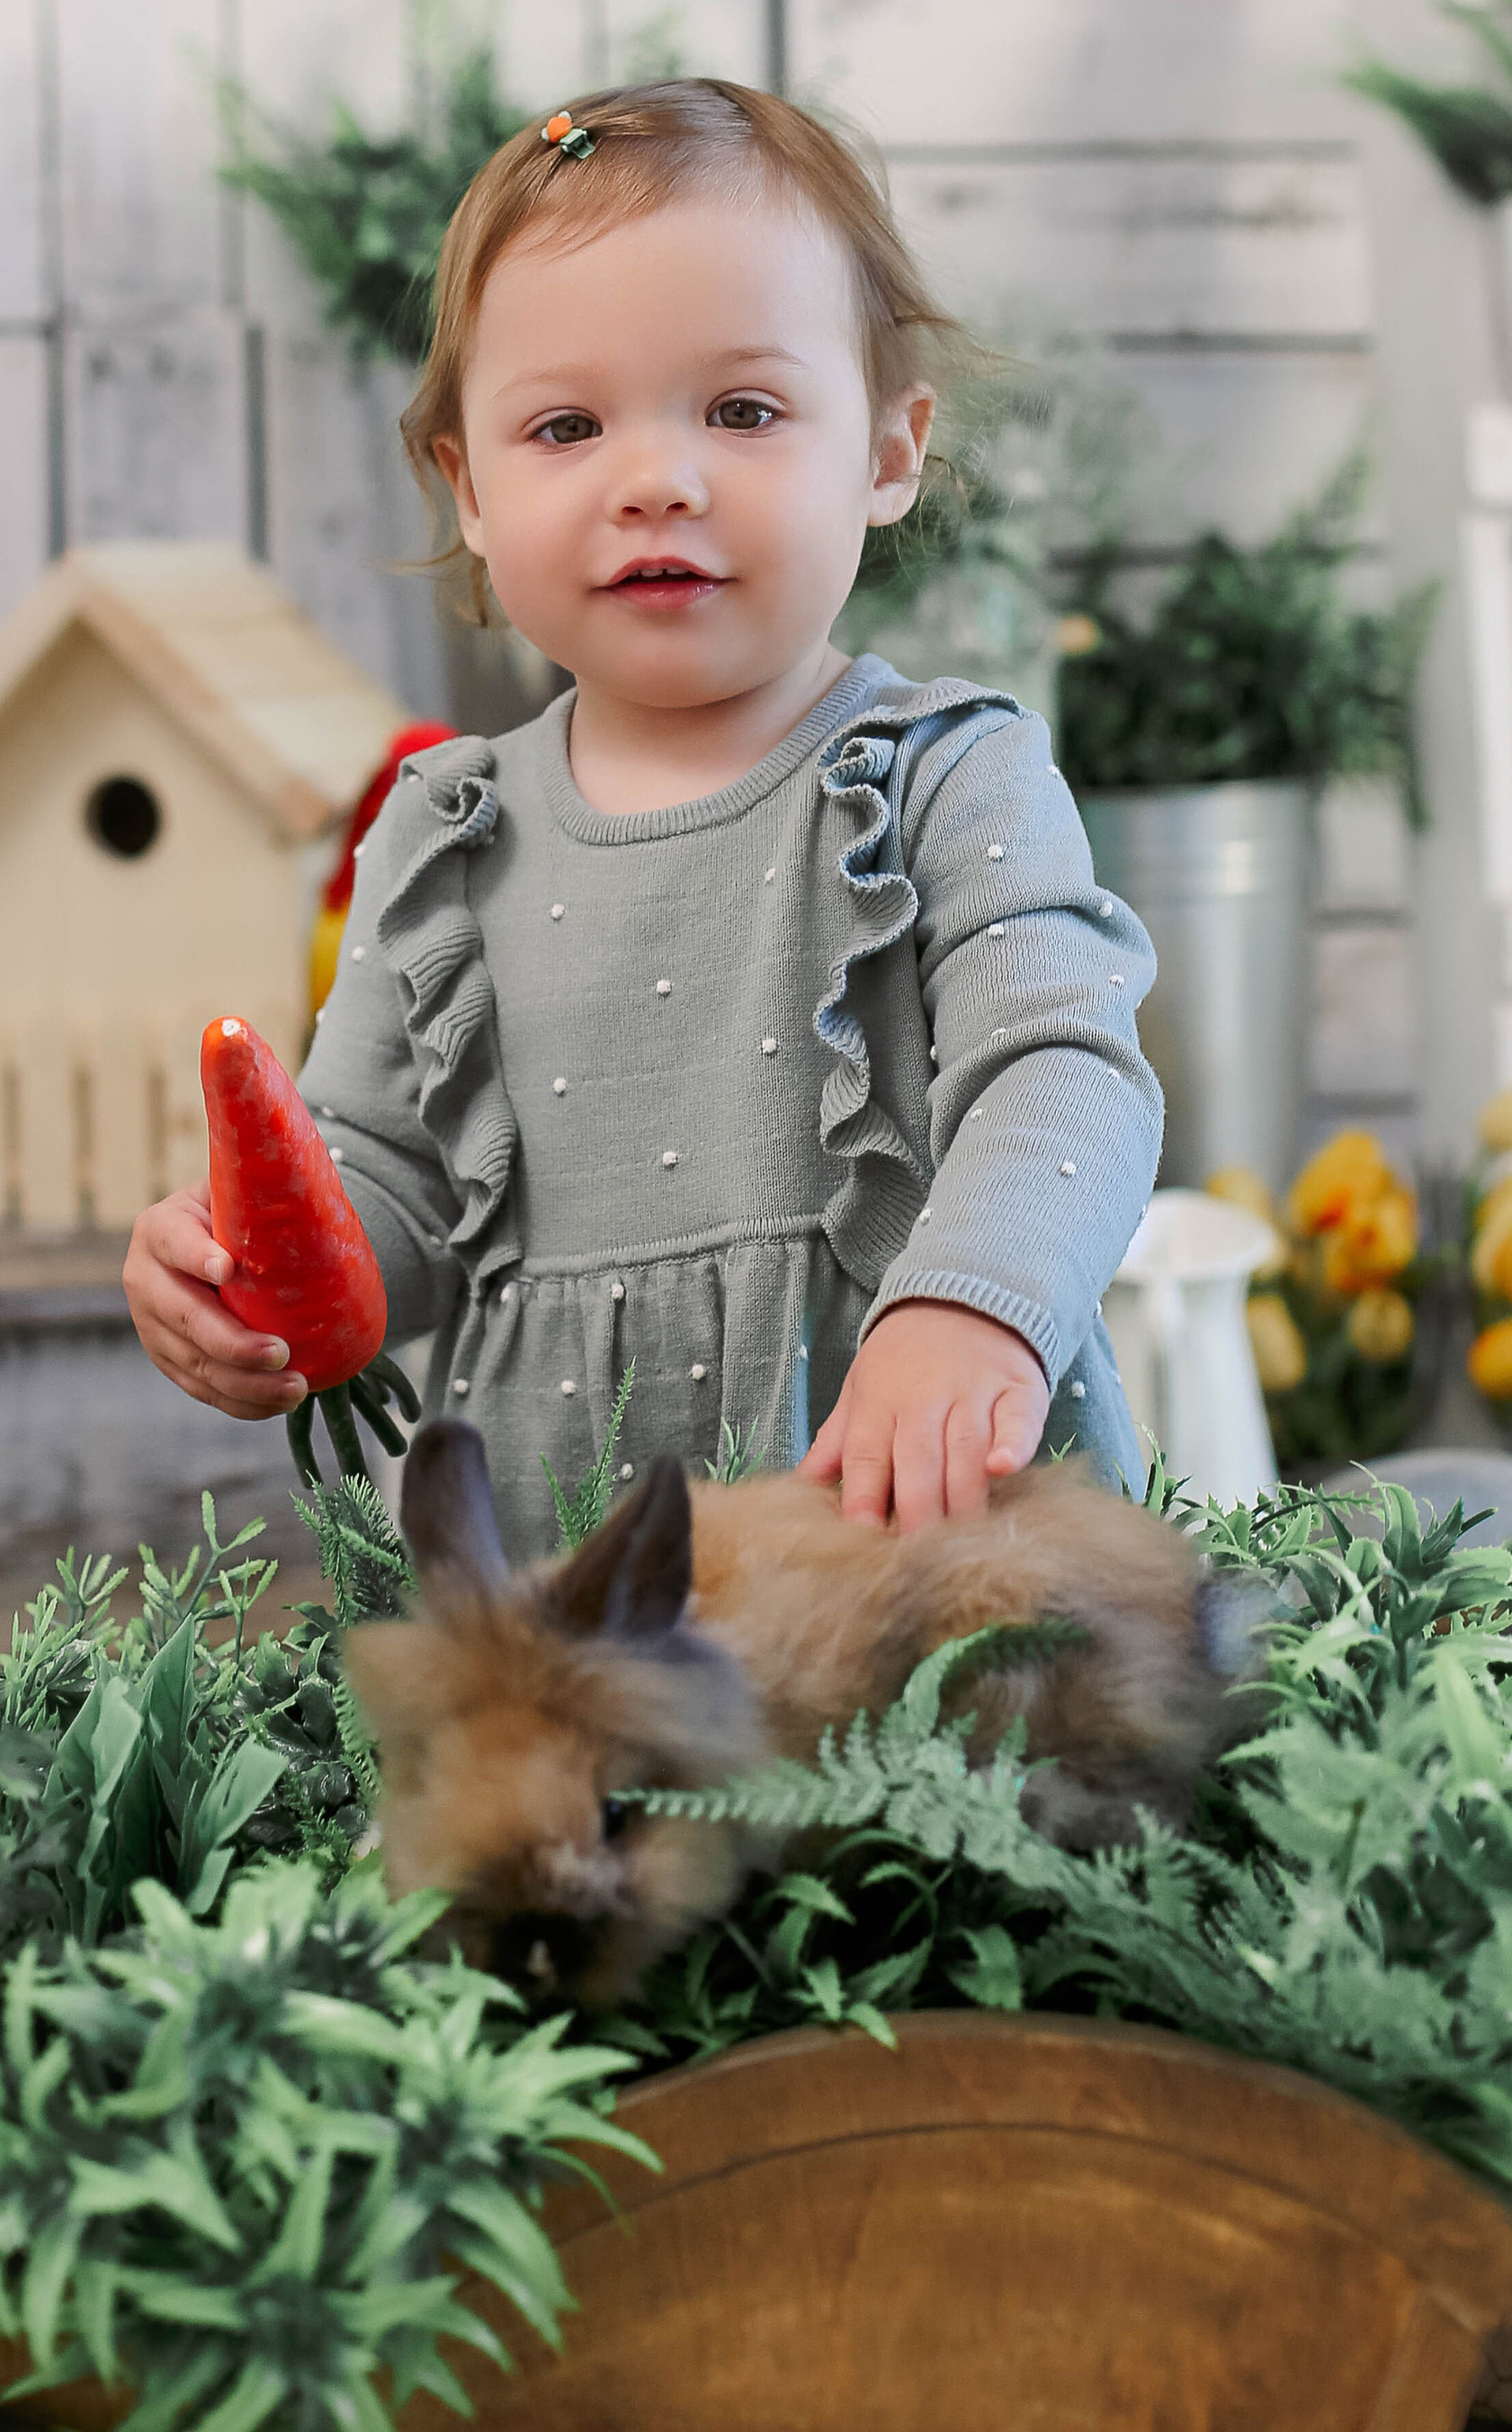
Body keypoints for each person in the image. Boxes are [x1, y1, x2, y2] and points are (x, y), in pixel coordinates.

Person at [121, 78, 1162, 1557]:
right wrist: (254, 1274)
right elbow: (390, 1187)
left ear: (887, 449)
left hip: (905, 1532)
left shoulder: (945, 776)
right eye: (565, 427)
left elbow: (1070, 1075)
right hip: (570, 1583)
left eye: (743, 410)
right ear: (465, 482)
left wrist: (971, 1303)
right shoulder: (442, 835)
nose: (656, 481)